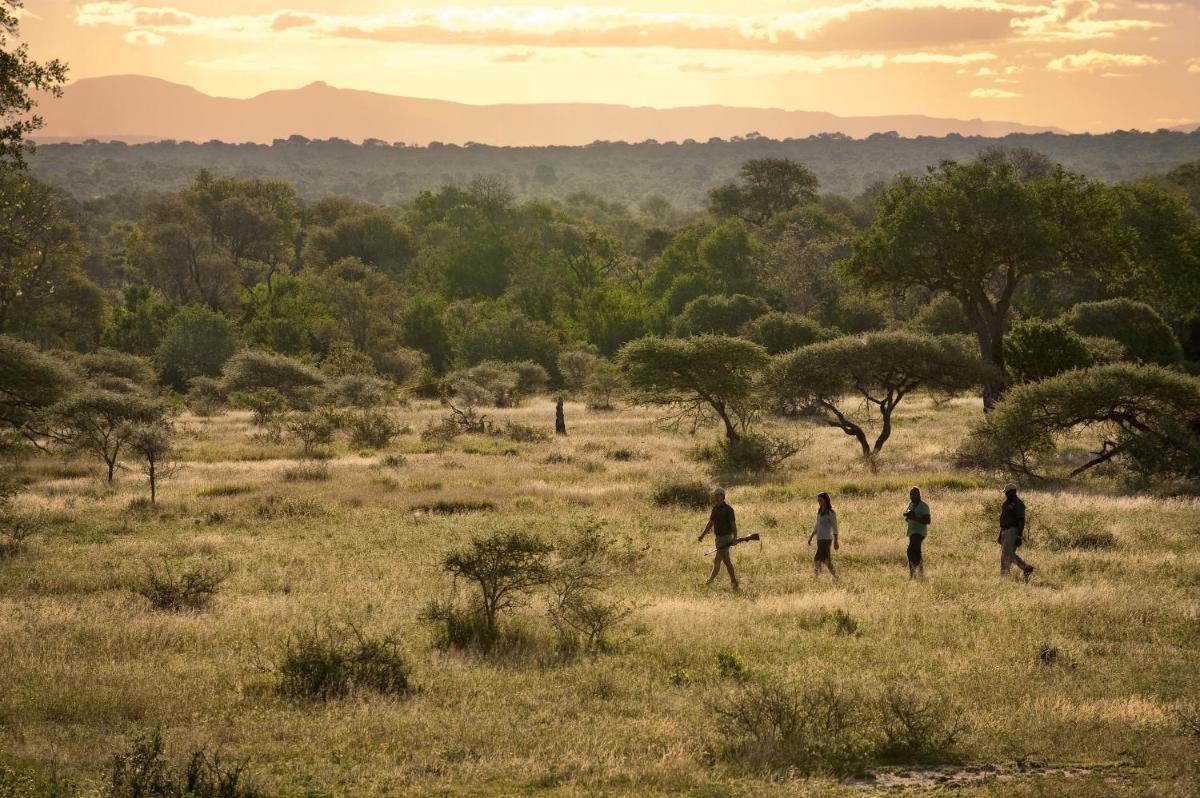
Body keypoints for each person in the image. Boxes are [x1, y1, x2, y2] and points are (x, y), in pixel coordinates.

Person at [699, 487, 740, 590]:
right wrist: (703, 535)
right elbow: (710, 523)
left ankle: (708, 583)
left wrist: (735, 537)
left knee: (717, 561)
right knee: (727, 561)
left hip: (726, 538)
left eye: (718, 494)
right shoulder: (715, 509)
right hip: (718, 538)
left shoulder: (728, 509)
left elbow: (733, 524)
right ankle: (734, 582)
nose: (716, 496)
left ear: (722, 496)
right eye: (715, 495)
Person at [999, 483, 1035, 581]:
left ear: (1013, 492)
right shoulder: (1005, 503)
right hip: (1004, 531)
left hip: (1012, 530)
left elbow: (1021, 520)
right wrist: (1000, 534)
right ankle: (1025, 567)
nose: (1005, 494)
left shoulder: (1018, 503)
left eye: (1007, 492)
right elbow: (1003, 519)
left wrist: (1019, 536)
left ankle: (1005, 576)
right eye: (1005, 493)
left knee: (1007, 553)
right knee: (1007, 553)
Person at [807, 491, 839, 581]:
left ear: (825, 500)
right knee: (826, 560)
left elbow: (835, 527)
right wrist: (811, 537)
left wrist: (836, 541)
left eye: (820, 500)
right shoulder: (820, 511)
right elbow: (817, 525)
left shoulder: (831, 512)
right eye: (818, 500)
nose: (819, 502)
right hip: (820, 538)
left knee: (817, 558)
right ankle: (836, 577)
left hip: (826, 539)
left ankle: (816, 577)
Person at [903, 486, 931, 580]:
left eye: (913, 494)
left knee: (910, 551)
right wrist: (908, 517)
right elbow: (908, 518)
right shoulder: (911, 504)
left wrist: (914, 518)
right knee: (916, 553)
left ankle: (913, 575)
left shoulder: (924, 506)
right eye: (910, 494)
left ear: (919, 495)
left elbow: (928, 521)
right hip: (912, 531)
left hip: (919, 532)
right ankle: (920, 574)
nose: (911, 496)